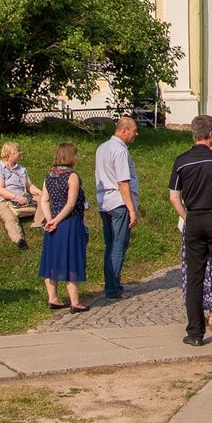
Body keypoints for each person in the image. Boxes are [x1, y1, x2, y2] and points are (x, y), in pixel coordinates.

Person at [168, 114, 212, 347]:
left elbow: (174, 196)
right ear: (210, 135)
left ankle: (195, 332)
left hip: (194, 220)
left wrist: (187, 217)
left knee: (194, 277)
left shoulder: (181, 161)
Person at [38, 143, 89, 312]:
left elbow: (44, 200)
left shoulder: (49, 175)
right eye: (75, 154)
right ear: (69, 156)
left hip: (52, 224)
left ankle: (53, 298)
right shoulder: (71, 176)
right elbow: (71, 203)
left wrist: (50, 219)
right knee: (71, 258)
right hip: (69, 222)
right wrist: (58, 219)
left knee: (51, 259)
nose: (77, 157)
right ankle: (75, 302)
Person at [95, 116, 140, 300]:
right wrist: (132, 209)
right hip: (118, 202)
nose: (136, 133)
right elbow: (123, 182)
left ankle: (112, 284)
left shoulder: (102, 148)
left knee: (110, 245)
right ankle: (112, 288)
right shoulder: (120, 151)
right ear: (124, 130)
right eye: (134, 130)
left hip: (104, 201)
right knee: (118, 246)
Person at [0, 141, 42, 249]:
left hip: (23, 198)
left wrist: (39, 192)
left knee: (43, 200)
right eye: (18, 151)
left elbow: (29, 186)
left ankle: (38, 223)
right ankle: (19, 240)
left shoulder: (21, 169)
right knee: (10, 218)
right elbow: (0, 190)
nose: (20, 153)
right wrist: (16, 197)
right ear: (10, 154)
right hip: (3, 201)